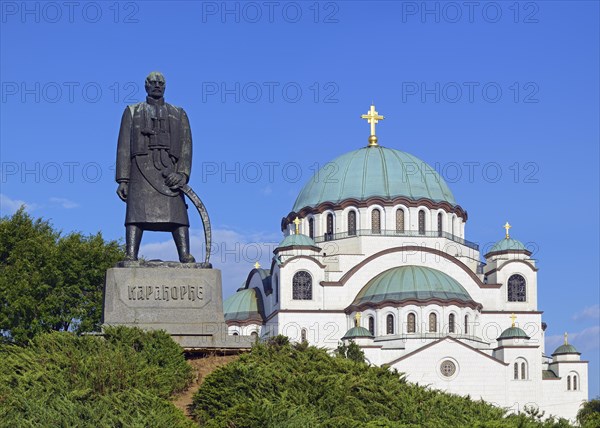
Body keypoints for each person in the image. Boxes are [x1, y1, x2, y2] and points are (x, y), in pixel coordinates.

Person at [115, 71, 195, 263]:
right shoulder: (132, 111)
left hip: (169, 171)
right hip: (140, 170)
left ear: (165, 86)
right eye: (153, 82)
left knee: (178, 214)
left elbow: (186, 147)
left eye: (161, 82)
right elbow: (123, 146)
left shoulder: (178, 113)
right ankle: (131, 254)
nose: (157, 85)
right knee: (136, 213)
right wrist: (123, 180)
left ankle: (184, 254)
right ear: (146, 86)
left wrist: (182, 174)